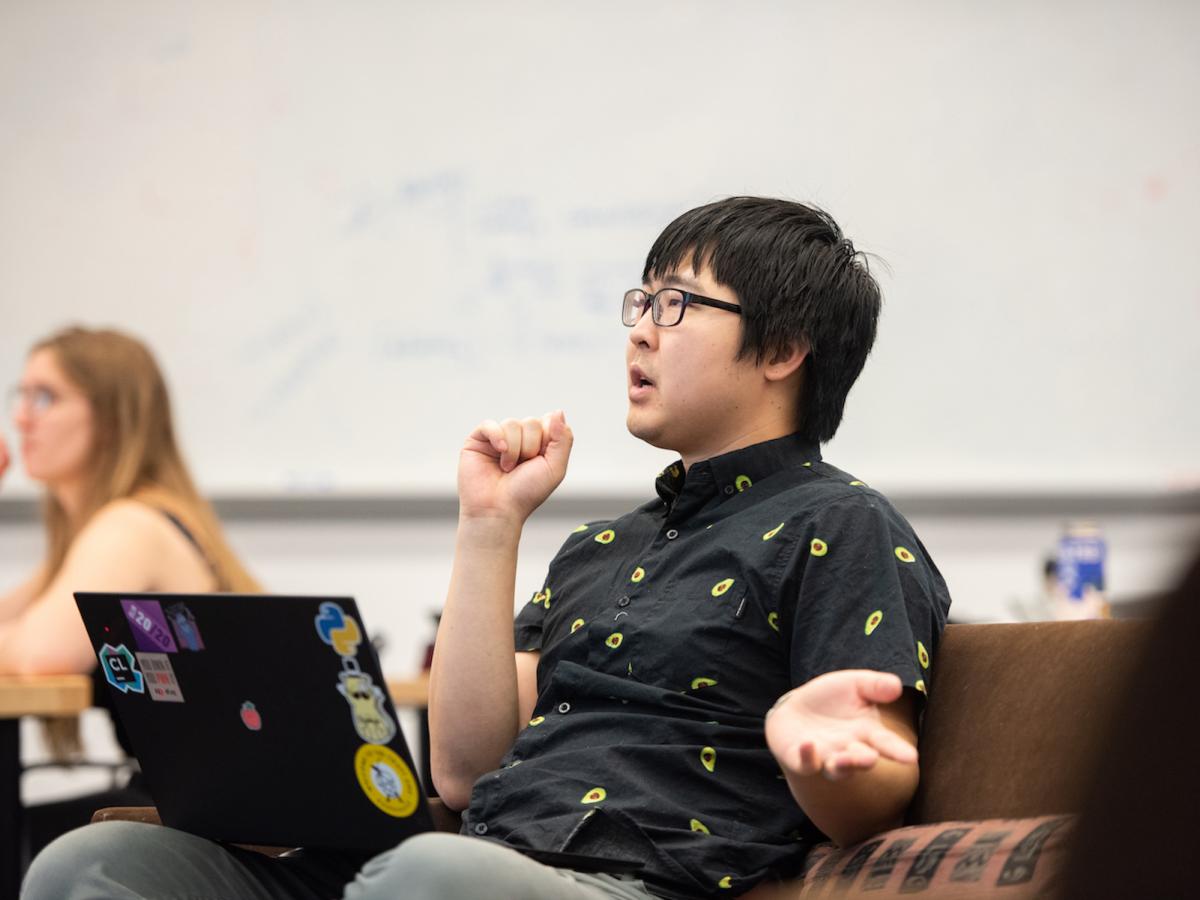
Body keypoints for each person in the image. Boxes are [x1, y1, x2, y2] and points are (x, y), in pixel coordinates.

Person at [23, 198, 951, 899]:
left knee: (427, 877)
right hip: (472, 862)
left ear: (783, 347)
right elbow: (465, 772)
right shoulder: (602, 545)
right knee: (97, 863)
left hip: (629, 882)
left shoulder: (843, 525)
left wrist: (816, 755)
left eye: (676, 303)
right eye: (640, 298)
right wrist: (490, 524)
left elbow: (873, 790)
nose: (638, 327)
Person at [0, 326, 260, 859]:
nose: (21, 417)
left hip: (217, 822)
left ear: (112, 417)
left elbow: (37, 654)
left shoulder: (130, 525)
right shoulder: (104, 529)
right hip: (200, 807)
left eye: (45, 397)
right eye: (19, 396)